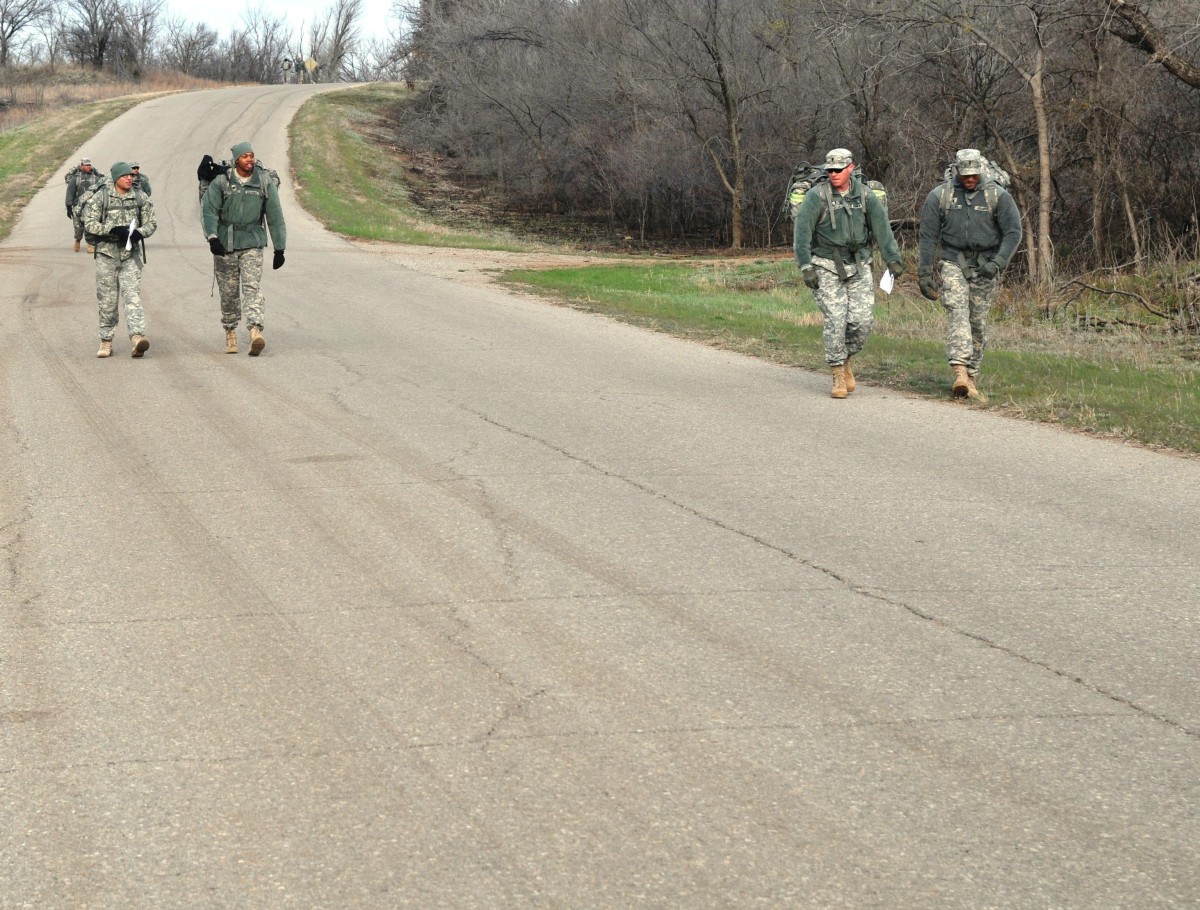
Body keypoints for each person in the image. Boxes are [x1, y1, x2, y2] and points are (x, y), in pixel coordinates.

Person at [793, 148, 904, 399]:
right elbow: (801, 235)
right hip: (825, 264)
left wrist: (893, 259)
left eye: (838, 170)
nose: (833, 174)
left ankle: (846, 359)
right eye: (830, 170)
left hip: (859, 264)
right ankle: (837, 373)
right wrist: (806, 266)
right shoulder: (816, 196)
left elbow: (882, 230)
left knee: (861, 322)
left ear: (850, 168)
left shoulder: (864, 195)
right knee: (835, 320)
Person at [917, 148, 1023, 401]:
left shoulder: (997, 196)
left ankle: (972, 376)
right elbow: (928, 236)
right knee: (956, 311)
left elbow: (1013, 232)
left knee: (977, 322)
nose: (970, 179)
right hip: (953, 261)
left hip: (986, 265)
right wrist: (924, 271)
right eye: (965, 175)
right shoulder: (940, 196)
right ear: (956, 171)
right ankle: (960, 371)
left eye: (974, 175)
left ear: (981, 171)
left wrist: (998, 262)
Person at [200, 140, 286, 355]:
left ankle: (255, 330)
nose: (250, 159)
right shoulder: (222, 181)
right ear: (236, 160)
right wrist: (212, 237)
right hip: (225, 242)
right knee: (229, 293)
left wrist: (279, 248)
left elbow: (274, 216)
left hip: (252, 242)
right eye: (245, 156)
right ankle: (230, 332)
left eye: (252, 155)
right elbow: (209, 211)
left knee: (252, 287)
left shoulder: (263, 182)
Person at [82, 162, 157, 358]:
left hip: (130, 256)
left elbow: (151, 222)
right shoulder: (101, 197)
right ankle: (106, 340)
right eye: (125, 176)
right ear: (116, 178)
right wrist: (111, 230)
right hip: (106, 256)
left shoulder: (140, 197)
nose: (129, 178)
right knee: (107, 300)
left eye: (130, 176)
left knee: (132, 297)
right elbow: (89, 223)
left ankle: (137, 339)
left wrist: (139, 233)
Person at [65, 157, 103, 253]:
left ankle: (90, 244)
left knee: (89, 225)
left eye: (89, 165)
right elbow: (70, 192)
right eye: (86, 165)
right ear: (81, 166)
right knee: (78, 226)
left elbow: (101, 191)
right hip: (77, 206)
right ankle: (77, 240)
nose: (88, 167)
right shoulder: (75, 179)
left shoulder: (96, 178)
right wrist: (69, 206)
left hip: (90, 206)